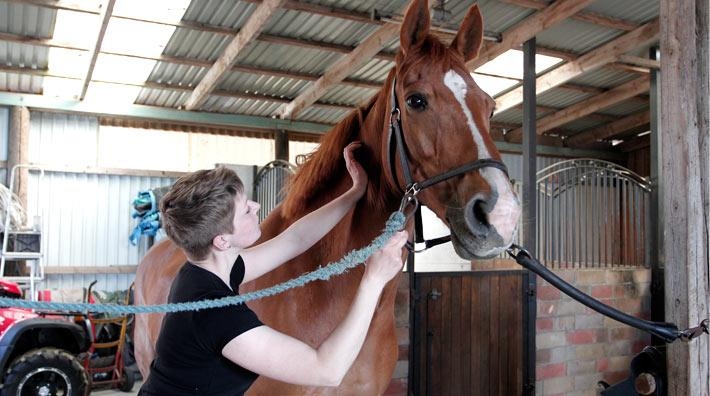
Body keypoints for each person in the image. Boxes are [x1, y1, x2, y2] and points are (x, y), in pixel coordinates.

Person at [138, 142, 408, 395]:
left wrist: (354, 193)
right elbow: (327, 369)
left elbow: (295, 240)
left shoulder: (205, 270)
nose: (255, 206)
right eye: (245, 210)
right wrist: (373, 279)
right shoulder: (216, 313)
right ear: (222, 241)